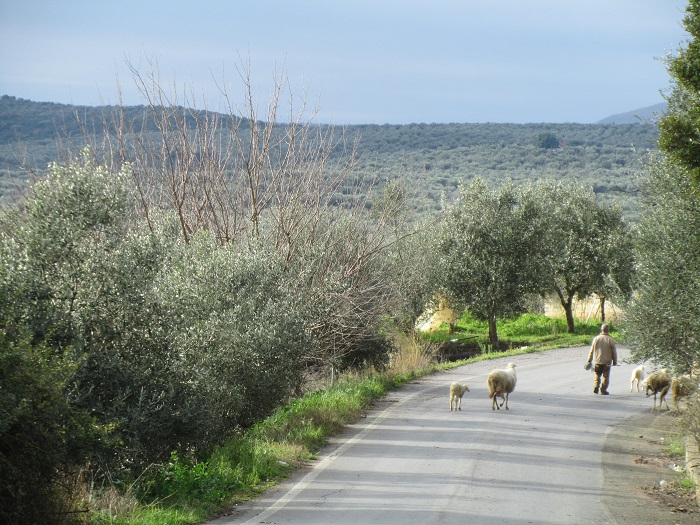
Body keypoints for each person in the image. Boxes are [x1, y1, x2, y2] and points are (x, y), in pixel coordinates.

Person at [586, 323, 617, 395]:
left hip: (597, 361)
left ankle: (596, 386)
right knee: (605, 376)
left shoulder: (596, 339)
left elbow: (591, 350)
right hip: (607, 362)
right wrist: (614, 361)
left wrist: (589, 360)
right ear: (608, 330)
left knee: (597, 375)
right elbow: (614, 352)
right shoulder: (610, 340)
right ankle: (603, 390)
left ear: (601, 330)